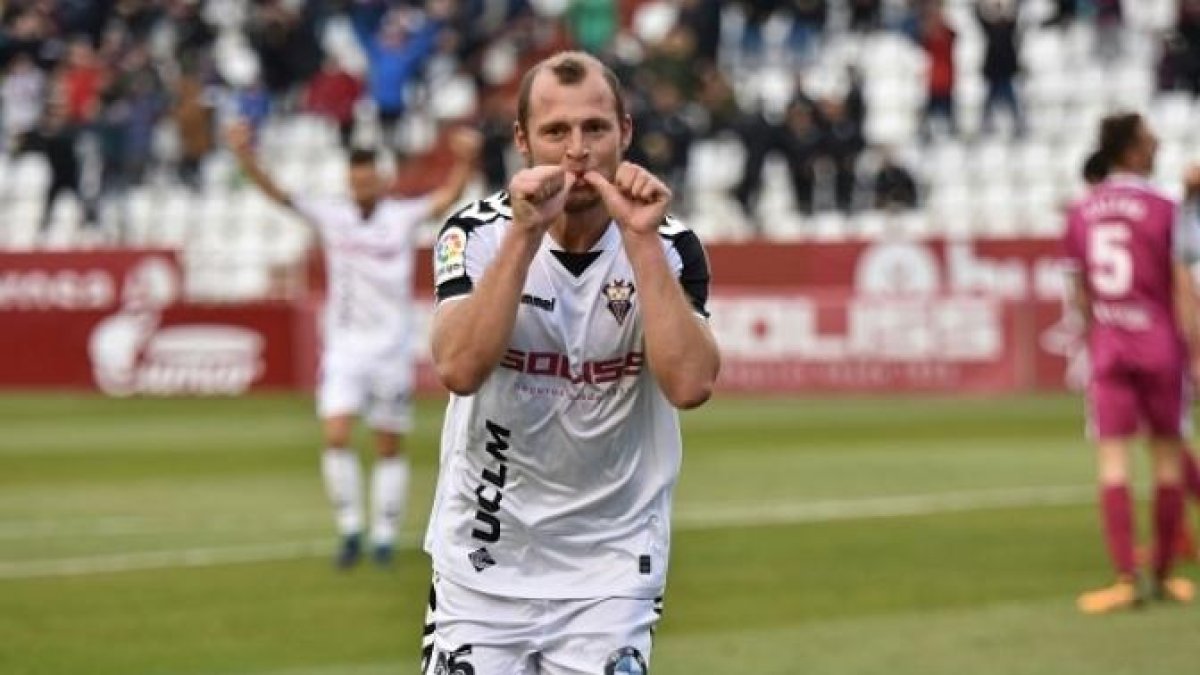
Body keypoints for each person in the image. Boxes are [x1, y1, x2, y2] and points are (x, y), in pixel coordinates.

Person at [421, 51, 720, 673]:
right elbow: (459, 367)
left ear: (626, 133)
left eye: (595, 128)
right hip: (483, 561)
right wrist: (525, 236)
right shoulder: (475, 235)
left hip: (611, 567)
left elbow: (691, 383)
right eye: (556, 132)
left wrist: (638, 240)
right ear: (524, 141)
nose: (577, 150)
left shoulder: (668, 244)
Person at [226, 121, 482, 568]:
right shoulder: (333, 214)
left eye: (367, 180)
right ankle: (349, 528)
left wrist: (465, 159)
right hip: (344, 347)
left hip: (391, 348)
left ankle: (383, 536)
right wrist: (245, 156)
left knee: (387, 444)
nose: (360, 187)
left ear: (381, 181)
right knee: (337, 435)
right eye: (354, 180)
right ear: (348, 181)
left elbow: (447, 197)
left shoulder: (400, 216)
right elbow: (278, 194)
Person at [1064, 113, 1200, 614]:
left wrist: (1098, 331)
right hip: (1160, 342)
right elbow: (1182, 283)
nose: (1157, 144)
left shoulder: (1082, 211)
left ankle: (1125, 578)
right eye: (1149, 139)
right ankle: (1163, 576)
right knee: (1168, 458)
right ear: (1132, 150)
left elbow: (1079, 290)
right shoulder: (1166, 210)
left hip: (1110, 343)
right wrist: (1196, 351)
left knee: (1113, 461)